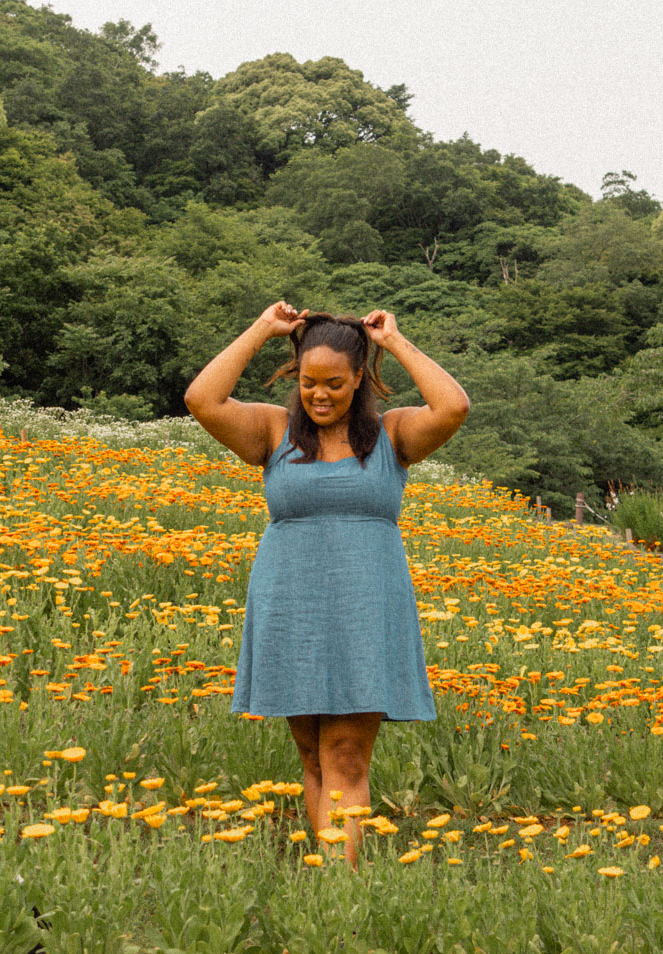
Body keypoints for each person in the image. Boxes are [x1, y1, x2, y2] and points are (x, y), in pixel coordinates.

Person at [184, 302, 469, 862]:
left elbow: (454, 405)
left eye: (334, 383)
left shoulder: (393, 435)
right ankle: (328, 886)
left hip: (367, 606)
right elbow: (202, 398)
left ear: (359, 378)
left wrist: (395, 343)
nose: (320, 395)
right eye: (308, 382)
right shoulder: (273, 430)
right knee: (313, 758)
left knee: (346, 756)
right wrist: (264, 328)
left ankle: (343, 895)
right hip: (290, 605)